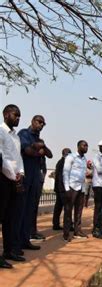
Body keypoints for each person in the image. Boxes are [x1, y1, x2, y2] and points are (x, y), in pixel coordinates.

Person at [17, 115, 53, 247]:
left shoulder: (39, 139)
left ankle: (25, 240)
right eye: (39, 122)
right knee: (20, 210)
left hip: (35, 179)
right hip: (25, 176)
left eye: (43, 124)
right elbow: (27, 151)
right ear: (32, 121)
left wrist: (40, 146)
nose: (41, 125)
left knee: (30, 210)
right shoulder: (24, 134)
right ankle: (16, 241)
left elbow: (49, 154)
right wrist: (38, 150)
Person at [0, 104, 25, 267]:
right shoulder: (0, 132)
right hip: (2, 178)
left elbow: (18, 158)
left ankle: (9, 251)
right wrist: (12, 175)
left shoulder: (15, 136)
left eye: (19, 116)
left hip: (14, 180)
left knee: (10, 217)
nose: (18, 118)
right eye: (16, 115)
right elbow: (1, 157)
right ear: (6, 114)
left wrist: (20, 174)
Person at [63, 140, 89, 241]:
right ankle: (66, 234)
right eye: (84, 145)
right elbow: (65, 173)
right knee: (68, 211)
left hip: (81, 188)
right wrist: (67, 188)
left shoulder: (84, 159)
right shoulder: (71, 157)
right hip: (72, 187)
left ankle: (77, 231)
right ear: (78, 146)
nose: (86, 147)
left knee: (79, 211)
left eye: (87, 146)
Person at [52, 148, 71, 230]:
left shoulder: (61, 162)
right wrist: (65, 189)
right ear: (64, 154)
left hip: (59, 188)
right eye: (68, 154)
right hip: (62, 188)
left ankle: (56, 224)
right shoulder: (62, 163)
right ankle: (67, 225)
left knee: (58, 207)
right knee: (67, 207)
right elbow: (61, 177)